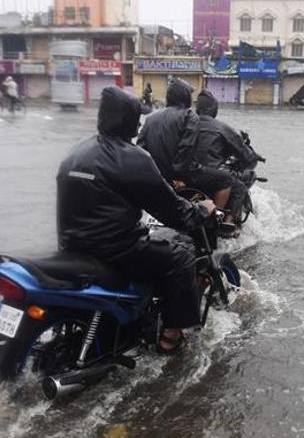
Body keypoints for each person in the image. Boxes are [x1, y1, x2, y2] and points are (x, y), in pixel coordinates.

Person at [57, 86, 216, 354]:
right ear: (129, 120)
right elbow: (174, 212)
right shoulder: (132, 158)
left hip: (71, 247)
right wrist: (202, 210)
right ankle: (171, 336)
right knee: (182, 255)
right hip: (116, 251)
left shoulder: (76, 152)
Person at [138, 79, 237, 231]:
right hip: (185, 174)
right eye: (190, 94)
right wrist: (178, 176)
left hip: (158, 177)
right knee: (227, 180)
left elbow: (141, 150)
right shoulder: (189, 116)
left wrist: (158, 177)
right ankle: (215, 220)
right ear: (184, 97)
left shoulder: (151, 119)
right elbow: (186, 148)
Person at [194, 90, 259, 231]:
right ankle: (226, 222)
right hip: (211, 178)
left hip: (186, 175)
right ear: (214, 109)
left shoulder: (185, 125)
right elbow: (247, 157)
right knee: (240, 188)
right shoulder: (222, 128)